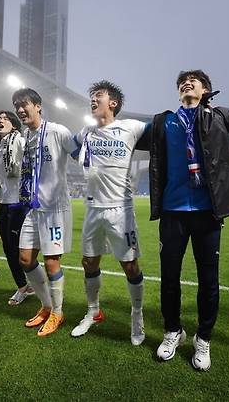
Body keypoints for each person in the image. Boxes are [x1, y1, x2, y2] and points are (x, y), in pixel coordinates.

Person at [136, 69, 229, 371]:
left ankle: (203, 339)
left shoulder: (219, 116)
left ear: (206, 90)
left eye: (194, 81)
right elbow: (128, 136)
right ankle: (172, 331)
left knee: (208, 280)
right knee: (169, 278)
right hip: (173, 212)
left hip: (207, 212)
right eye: (181, 82)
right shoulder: (164, 122)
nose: (186, 83)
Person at [70, 80, 147, 345]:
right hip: (92, 208)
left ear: (112, 103)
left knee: (129, 265)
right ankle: (93, 312)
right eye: (91, 96)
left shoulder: (131, 127)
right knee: (89, 262)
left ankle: (137, 315)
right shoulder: (86, 131)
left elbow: (161, 133)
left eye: (98, 96)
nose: (92, 99)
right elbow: (71, 146)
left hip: (120, 210)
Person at [14, 88, 76, 337]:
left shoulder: (58, 131)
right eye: (16, 105)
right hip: (34, 207)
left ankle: (58, 313)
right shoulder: (24, 137)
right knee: (26, 259)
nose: (20, 109)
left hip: (55, 209)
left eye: (24, 104)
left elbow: (80, 154)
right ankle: (46, 305)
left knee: (52, 262)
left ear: (38, 106)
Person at [0, 110, 35, 306]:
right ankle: (24, 287)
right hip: (3, 201)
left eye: (5, 118)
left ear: (13, 123)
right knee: (7, 248)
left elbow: (31, 165)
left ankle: (36, 285)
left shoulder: (20, 141)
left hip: (20, 202)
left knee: (21, 249)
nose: (0, 121)